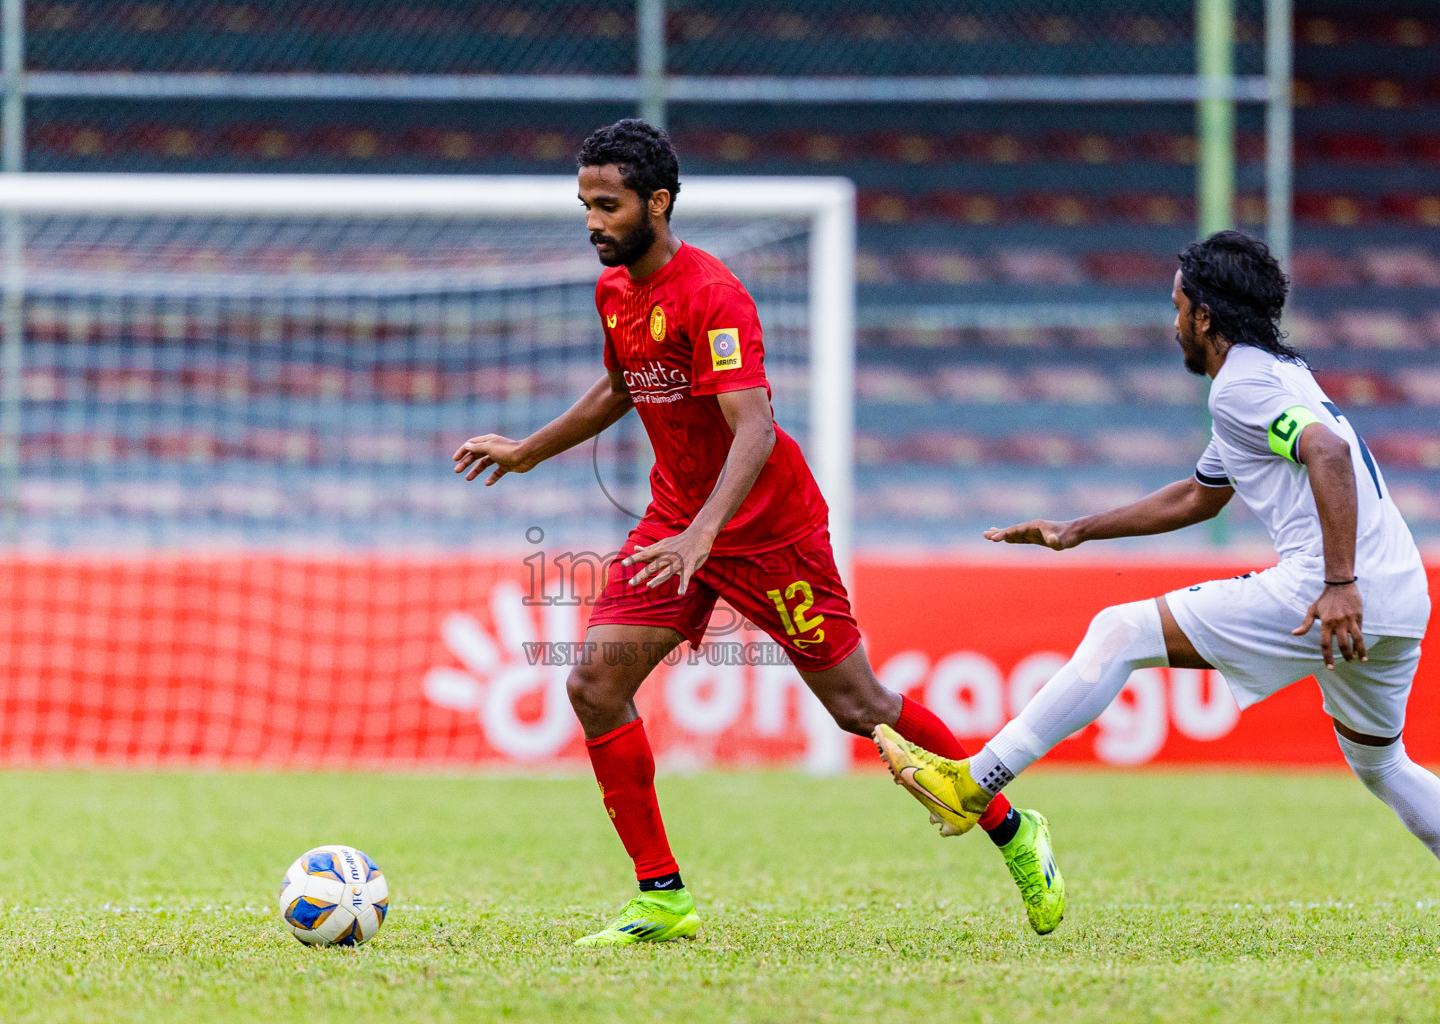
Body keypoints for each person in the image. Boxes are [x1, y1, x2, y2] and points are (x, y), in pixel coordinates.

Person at [454, 118, 1065, 944]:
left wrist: (709, 534)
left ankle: (1013, 831)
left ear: (657, 203)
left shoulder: (715, 294)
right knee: (594, 684)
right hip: (678, 521)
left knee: (861, 707)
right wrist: (529, 450)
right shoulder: (613, 291)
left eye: (607, 205)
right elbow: (619, 388)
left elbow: (756, 429)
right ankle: (661, 895)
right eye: (584, 205)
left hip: (767, 532)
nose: (593, 222)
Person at [874, 230, 1440, 878]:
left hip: (1332, 590)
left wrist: (1339, 583)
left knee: (1119, 632)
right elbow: (1197, 498)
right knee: (1383, 763)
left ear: (1204, 315)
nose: (1173, 324)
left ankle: (972, 784)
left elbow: (1328, 452)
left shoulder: (1242, 388)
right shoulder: (1276, 376)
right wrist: (1076, 530)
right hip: (1400, 595)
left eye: (1177, 308)